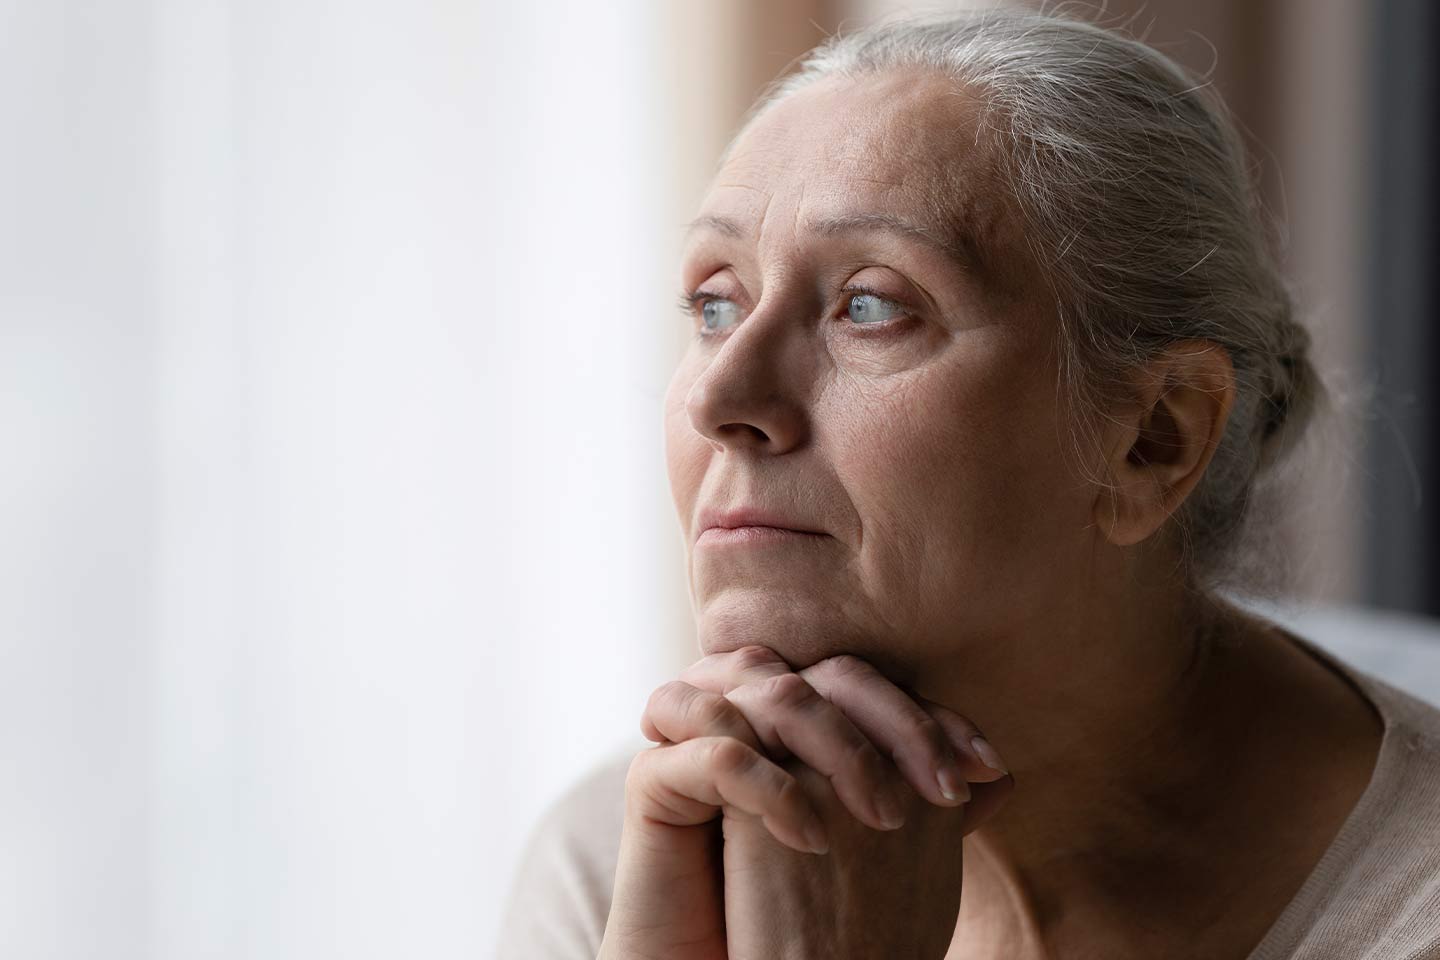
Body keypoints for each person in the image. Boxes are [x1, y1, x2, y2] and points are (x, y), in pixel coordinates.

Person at [496, 9, 1440, 959]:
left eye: (870, 305)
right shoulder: (631, 863)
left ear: (1153, 439)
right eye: (714, 305)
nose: (719, 399)